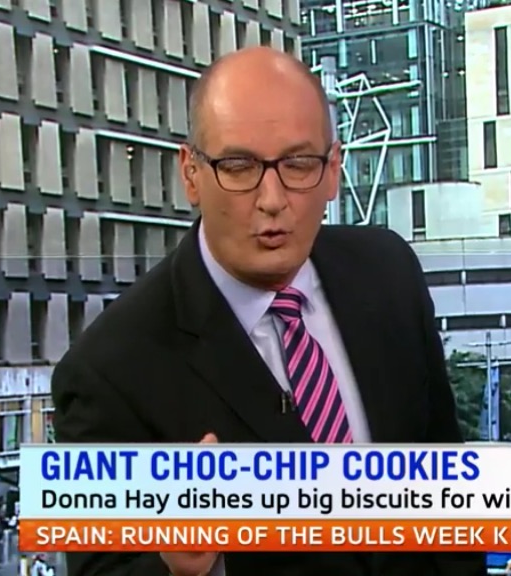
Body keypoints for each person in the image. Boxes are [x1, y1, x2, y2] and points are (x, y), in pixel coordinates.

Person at [50, 46, 485, 576]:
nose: (273, 199)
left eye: (298, 164)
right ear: (191, 173)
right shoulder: (110, 371)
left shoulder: (387, 272)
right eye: (239, 167)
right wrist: (174, 565)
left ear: (333, 170)